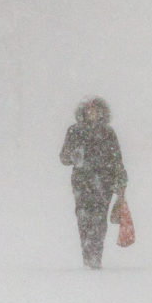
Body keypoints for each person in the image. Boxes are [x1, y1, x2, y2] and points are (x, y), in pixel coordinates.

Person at [59, 96, 127, 269]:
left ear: (102, 112)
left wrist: (121, 185)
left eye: (96, 110)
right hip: (82, 183)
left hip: (104, 184)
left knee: (99, 220)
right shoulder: (74, 131)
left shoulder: (108, 133)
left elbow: (117, 160)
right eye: (89, 110)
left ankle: (96, 256)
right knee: (83, 219)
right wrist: (72, 156)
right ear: (83, 112)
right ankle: (87, 256)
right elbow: (63, 157)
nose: (92, 113)